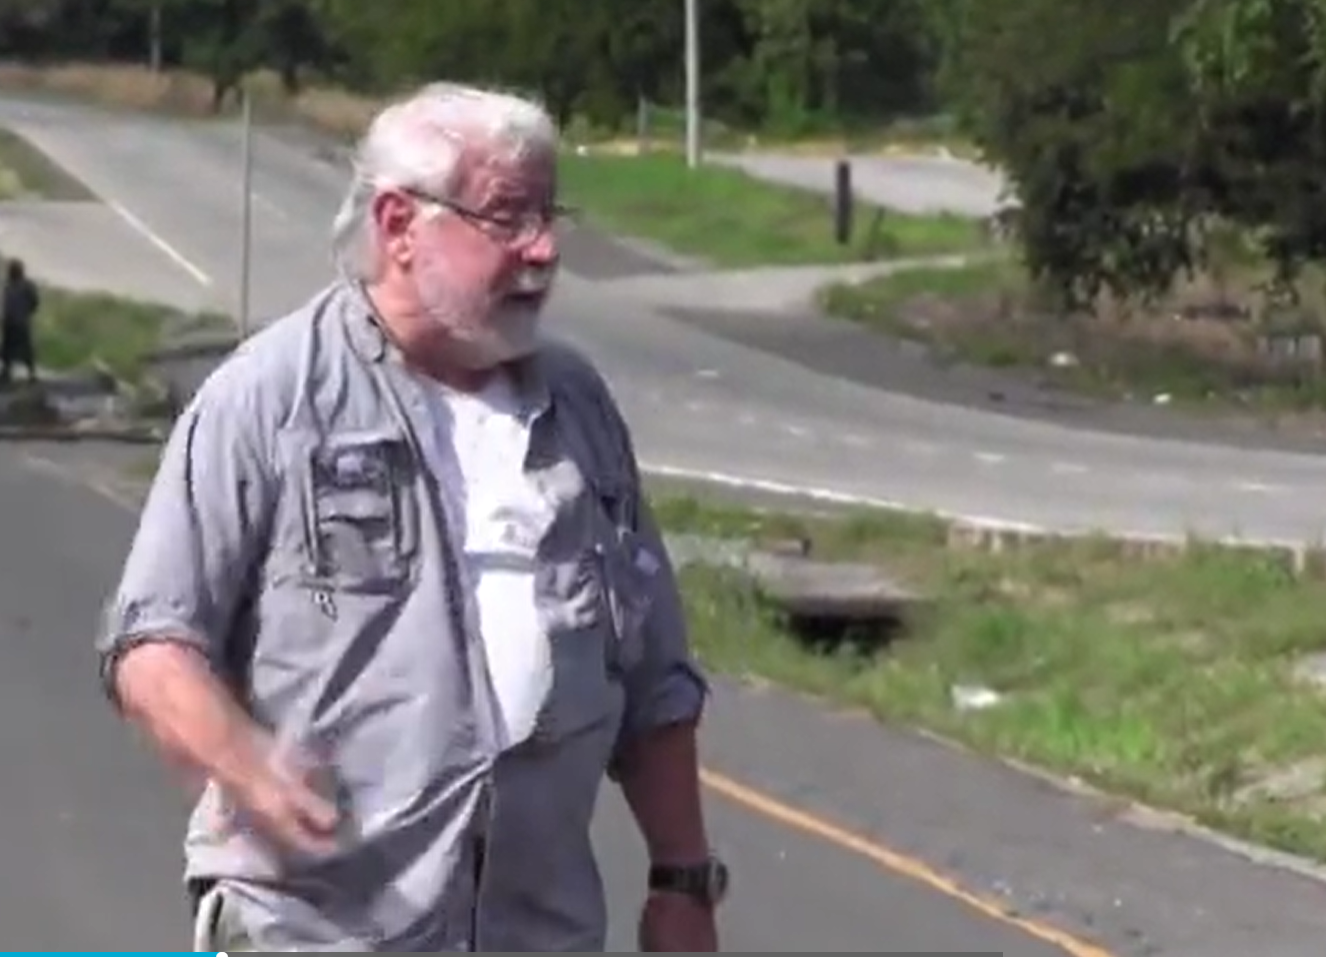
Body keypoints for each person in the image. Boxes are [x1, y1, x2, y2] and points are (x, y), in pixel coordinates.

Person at [95, 81, 727, 951]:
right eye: (507, 217)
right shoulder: (271, 397)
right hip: (313, 930)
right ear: (399, 225)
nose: (543, 248)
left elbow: (654, 674)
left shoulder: (579, 409)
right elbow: (151, 644)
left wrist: (683, 877)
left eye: (548, 214)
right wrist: (247, 764)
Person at [1, 258, 38, 384]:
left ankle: (31, 373)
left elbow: (34, 301)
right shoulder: (8, 286)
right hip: (10, 321)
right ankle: (6, 371)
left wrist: (27, 312)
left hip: (20, 320)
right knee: (8, 348)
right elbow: (6, 303)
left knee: (26, 348)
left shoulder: (27, 286)